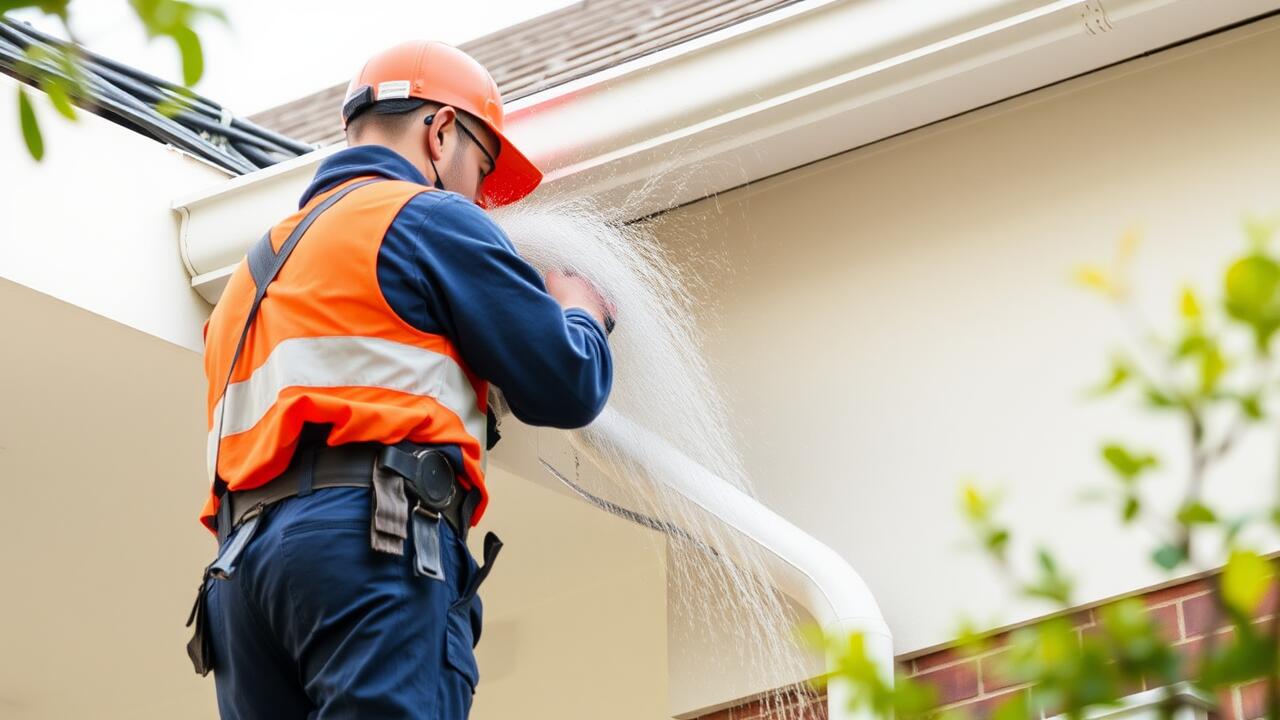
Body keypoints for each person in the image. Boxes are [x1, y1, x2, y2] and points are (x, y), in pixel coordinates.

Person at [186, 40, 614, 719]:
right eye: (481, 166)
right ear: (441, 132)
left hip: (240, 584)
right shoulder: (426, 217)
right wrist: (580, 312)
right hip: (368, 545)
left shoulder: (251, 275)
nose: (482, 199)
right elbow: (566, 380)